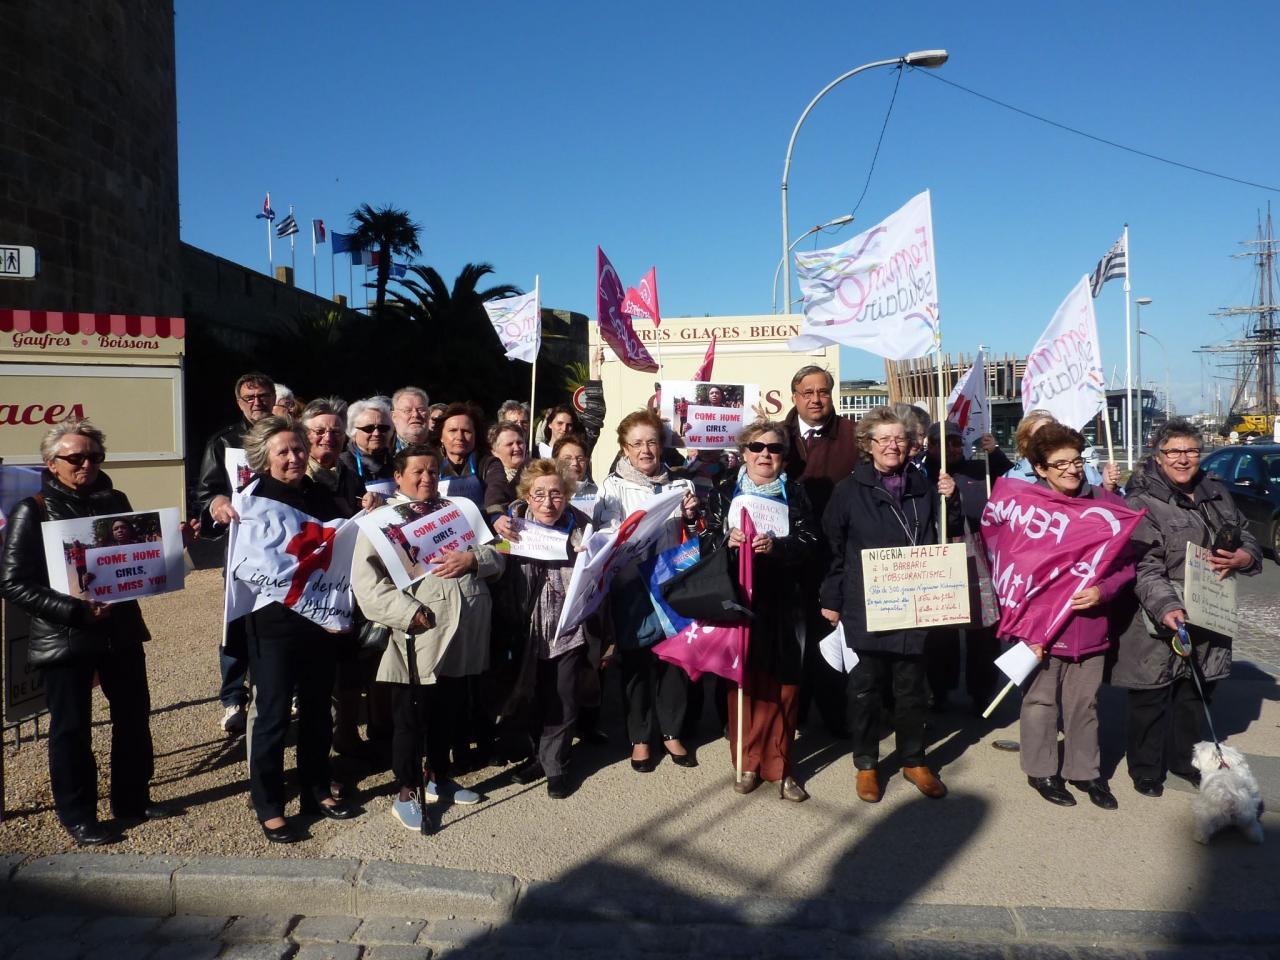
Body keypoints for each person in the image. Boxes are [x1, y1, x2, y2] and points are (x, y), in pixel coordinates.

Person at [0, 420, 180, 845]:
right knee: (72, 729)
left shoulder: (114, 499)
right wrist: (74, 610)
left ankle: (132, 800)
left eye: (94, 456)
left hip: (120, 630)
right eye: (75, 457)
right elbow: (11, 582)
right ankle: (78, 814)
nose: (86, 464)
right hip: (66, 636)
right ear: (51, 463)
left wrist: (173, 545)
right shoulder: (35, 508)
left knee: (134, 718)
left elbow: (133, 560)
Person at [351, 443, 502, 830]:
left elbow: (497, 556)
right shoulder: (380, 522)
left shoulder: (456, 512)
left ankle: (439, 777)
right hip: (418, 633)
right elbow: (367, 585)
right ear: (398, 477)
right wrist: (407, 613)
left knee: (448, 712)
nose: (426, 478)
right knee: (410, 718)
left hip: (464, 630)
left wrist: (473, 559)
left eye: (433, 471)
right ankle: (406, 791)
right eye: (417, 471)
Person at [1111, 419, 1262, 797]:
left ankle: (1185, 760)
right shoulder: (1140, 501)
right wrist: (1167, 605)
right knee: (1152, 695)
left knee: (1196, 692)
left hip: (1211, 610)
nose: (1184, 459)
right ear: (1158, 456)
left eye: (1191, 451)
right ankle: (1145, 769)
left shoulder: (1215, 491)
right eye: (1174, 452)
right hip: (1159, 611)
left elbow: (1244, 532)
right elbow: (1143, 564)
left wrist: (1244, 556)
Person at [820, 406, 956, 803]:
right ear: (868, 445)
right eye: (884, 439)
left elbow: (945, 536)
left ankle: (914, 759)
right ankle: (866, 764)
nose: (892, 446)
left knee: (912, 688)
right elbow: (833, 550)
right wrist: (832, 599)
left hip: (914, 602)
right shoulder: (848, 491)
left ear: (911, 445)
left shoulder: (926, 486)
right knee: (864, 690)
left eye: (899, 439)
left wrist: (953, 499)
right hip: (868, 604)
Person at [238, 416, 359, 843]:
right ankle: (268, 803)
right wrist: (217, 506)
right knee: (272, 714)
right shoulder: (248, 500)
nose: (294, 457)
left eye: (298, 449)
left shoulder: (321, 495)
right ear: (264, 459)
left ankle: (316, 787)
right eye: (283, 452)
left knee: (316, 711)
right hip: (272, 623)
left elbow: (344, 543)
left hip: (319, 621)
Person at [1005, 423, 1135, 809]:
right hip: (1040, 627)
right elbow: (1009, 568)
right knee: (1041, 701)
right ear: (1040, 469)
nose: (1071, 469)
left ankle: (1085, 773)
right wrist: (1025, 628)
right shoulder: (1028, 509)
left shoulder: (1109, 505)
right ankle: (1041, 770)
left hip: (1090, 625)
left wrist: (1103, 591)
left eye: (1076, 460)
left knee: (1085, 704)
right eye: (1059, 463)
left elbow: (1128, 564)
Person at [702, 421, 818, 801]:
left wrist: (780, 547)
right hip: (740, 601)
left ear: (784, 457)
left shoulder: (796, 493)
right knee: (745, 685)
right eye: (757, 447)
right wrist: (726, 540)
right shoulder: (723, 493)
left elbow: (812, 542)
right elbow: (704, 545)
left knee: (784, 686)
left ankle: (782, 766)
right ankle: (748, 761)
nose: (765, 454)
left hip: (784, 602)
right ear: (743, 452)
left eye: (774, 448)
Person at [597, 409, 700, 773]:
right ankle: (640, 738)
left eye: (652, 442)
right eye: (637, 443)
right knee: (637, 665)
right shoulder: (611, 487)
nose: (645, 449)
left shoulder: (681, 485)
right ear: (625, 449)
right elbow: (605, 535)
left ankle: (672, 731)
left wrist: (690, 515)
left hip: (673, 584)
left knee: (673, 663)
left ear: (662, 445)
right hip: (632, 587)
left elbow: (694, 535)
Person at [495, 460, 601, 798]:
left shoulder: (583, 529)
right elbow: (493, 559)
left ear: (568, 496)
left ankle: (557, 765)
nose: (548, 502)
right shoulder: (512, 527)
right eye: (539, 494)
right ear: (527, 496)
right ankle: (539, 757)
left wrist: (592, 557)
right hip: (527, 629)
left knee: (563, 697)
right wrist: (498, 539)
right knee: (532, 696)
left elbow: (601, 575)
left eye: (556, 493)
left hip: (567, 629)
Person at [196, 371, 275, 736]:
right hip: (243, 547)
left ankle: (279, 688)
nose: (257, 402)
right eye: (249, 397)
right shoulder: (223, 441)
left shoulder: (290, 434)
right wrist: (217, 502)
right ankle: (232, 697)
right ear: (239, 402)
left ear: (273, 396)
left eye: (263, 395)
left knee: (282, 616)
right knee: (237, 619)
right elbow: (206, 491)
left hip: (284, 543)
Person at [781, 365, 859, 739]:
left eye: (823, 391)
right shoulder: (776, 437)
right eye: (807, 392)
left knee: (828, 636)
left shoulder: (852, 436)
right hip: (784, 557)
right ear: (794, 396)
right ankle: (793, 712)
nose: (815, 399)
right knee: (788, 639)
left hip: (833, 556)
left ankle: (834, 713)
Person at [921, 423, 1001, 712]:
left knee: (981, 628)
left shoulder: (980, 469)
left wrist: (996, 452)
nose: (951, 449)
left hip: (974, 552)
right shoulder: (920, 475)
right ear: (929, 445)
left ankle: (981, 692)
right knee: (940, 632)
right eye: (943, 444)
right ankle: (940, 690)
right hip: (936, 553)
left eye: (956, 443)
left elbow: (1006, 475)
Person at [1006, 409, 1119, 492]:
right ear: (1026, 441)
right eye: (1041, 434)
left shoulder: (1080, 467)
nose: (1072, 470)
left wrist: (1107, 486)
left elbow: (1103, 501)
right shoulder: (1015, 478)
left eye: (1054, 432)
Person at [302, 397, 379, 515]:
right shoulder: (296, 476)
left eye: (336, 432)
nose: (328, 438)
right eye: (320, 431)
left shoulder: (353, 477)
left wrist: (373, 503)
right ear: (304, 435)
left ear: (345, 437)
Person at [432, 402, 499, 513]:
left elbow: (496, 490)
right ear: (441, 437)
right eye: (453, 431)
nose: (459, 437)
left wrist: (496, 513)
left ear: (475, 435)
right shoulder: (430, 464)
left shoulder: (489, 463)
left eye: (466, 431)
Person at [342, 396, 396, 488]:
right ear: (353, 432)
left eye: (382, 428)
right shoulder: (342, 464)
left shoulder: (397, 464)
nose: (376, 433)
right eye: (368, 428)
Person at [485, 420, 528, 522]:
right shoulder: (487, 475)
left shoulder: (537, 472)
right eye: (510, 444)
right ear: (494, 451)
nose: (517, 448)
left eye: (520, 442)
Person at [391, 387, 431, 451]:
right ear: (394, 417)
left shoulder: (444, 446)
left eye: (421, 410)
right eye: (407, 411)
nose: (415, 415)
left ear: (429, 414)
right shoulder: (382, 447)